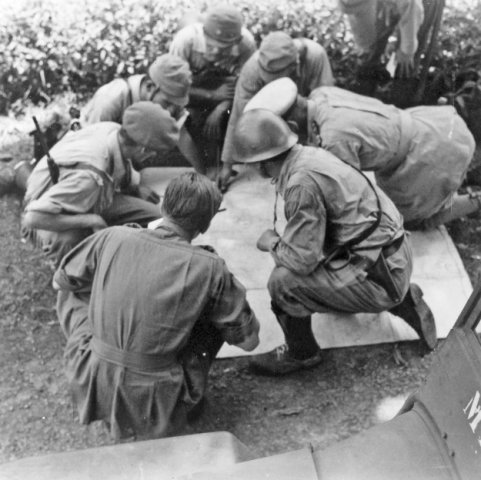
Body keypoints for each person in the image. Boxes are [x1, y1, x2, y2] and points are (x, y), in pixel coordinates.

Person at [53, 172, 260, 440]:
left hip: (91, 374)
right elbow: (250, 342)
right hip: (157, 396)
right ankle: (182, 404)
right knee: (215, 318)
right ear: (205, 226)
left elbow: (59, 282)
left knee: (71, 291)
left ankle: (105, 391)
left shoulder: (112, 235)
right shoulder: (211, 268)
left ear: (163, 208)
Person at [231, 109, 437, 376]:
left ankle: (302, 353)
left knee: (283, 282)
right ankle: (396, 294)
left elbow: (301, 261)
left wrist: (272, 242)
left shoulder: (301, 184)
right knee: (313, 260)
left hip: (380, 272)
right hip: (392, 254)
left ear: (261, 162)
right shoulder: (309, 155)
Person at [244, 78, 478, 230]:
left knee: (403, 223)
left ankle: (474, 200)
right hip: (434, 125)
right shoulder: (321, 94)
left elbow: (348, 199)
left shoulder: (334, 140)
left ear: (292, 126)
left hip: (427, 153)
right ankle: (454, 184)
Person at [22, 102, 178, 265]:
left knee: (156, 217)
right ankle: (73, 274)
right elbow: (33, 218)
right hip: (48, 215)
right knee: (70, 240)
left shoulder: (112, 130)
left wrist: (134, 186)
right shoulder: (90, 176)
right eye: (154, 151)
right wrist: (92, 220)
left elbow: (120, 166)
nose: (153, 156)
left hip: (86, 197)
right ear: (143, 149)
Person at [218, 31, 335, 191]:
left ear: (294, 66)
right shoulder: (252, 69)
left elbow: (324, 103)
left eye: (275, 75)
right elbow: (240, 117)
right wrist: (226, 165)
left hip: (307, 114)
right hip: (278, 126)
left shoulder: (315, 56)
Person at [82, 54, 205, 173]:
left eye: (176, 104)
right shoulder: (111, 99)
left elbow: (182, 136)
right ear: (151, 87)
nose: (171, 110)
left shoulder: (167, 98)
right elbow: (93, 149)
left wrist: (203, 175)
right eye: (167, 102)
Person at [169, 3, 256, 168]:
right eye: (211, 45)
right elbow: (173, 87)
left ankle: (230, 159)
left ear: (237, 41)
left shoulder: (246, 44)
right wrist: (211, 95)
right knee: (190, 120)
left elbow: (246, 85)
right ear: (203, 33)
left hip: (227, 91)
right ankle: (202, 165)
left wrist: (221, 108)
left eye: (224, 48)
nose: (216, 52)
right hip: (192, 90)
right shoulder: (184, 41)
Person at [338, 0, 445, 105]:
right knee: (369, 52)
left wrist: (407, 50)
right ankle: (366, 97)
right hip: (381, 5)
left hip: (417, 6)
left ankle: (401, 102)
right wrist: (368, 46)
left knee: (406, 62)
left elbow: (412, 5)